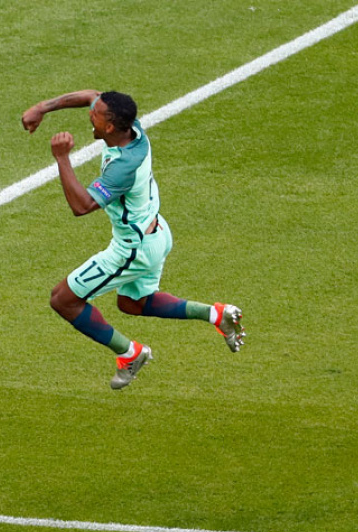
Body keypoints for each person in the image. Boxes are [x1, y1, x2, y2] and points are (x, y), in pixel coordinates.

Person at [21, 90, 245, 389]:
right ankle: (216, 314)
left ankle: (130, 353)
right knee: (133, 303)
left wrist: (62, 158)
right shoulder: (132, 130)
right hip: (157, 232)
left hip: (133, 248)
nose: (90, 114)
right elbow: (91, 95)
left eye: (95, 115)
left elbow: (82, 206)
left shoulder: (123, 167)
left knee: (63, 300)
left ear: (110, 126)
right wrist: (42, 108)